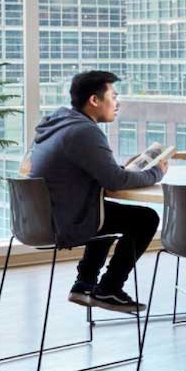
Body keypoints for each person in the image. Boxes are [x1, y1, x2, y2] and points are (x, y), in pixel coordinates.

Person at [27, 71, 166, 313]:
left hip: (41, 217)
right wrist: (157, 172)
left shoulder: (59, 123)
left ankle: (84, 284)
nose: (117, 103)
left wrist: (124, 169)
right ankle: (110, 288)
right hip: (66, 220)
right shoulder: (84, 132)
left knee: (105, 211)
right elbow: (114, 181)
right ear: (94, 100)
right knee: (146, 219)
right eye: (113, 96)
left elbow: (100, 174)